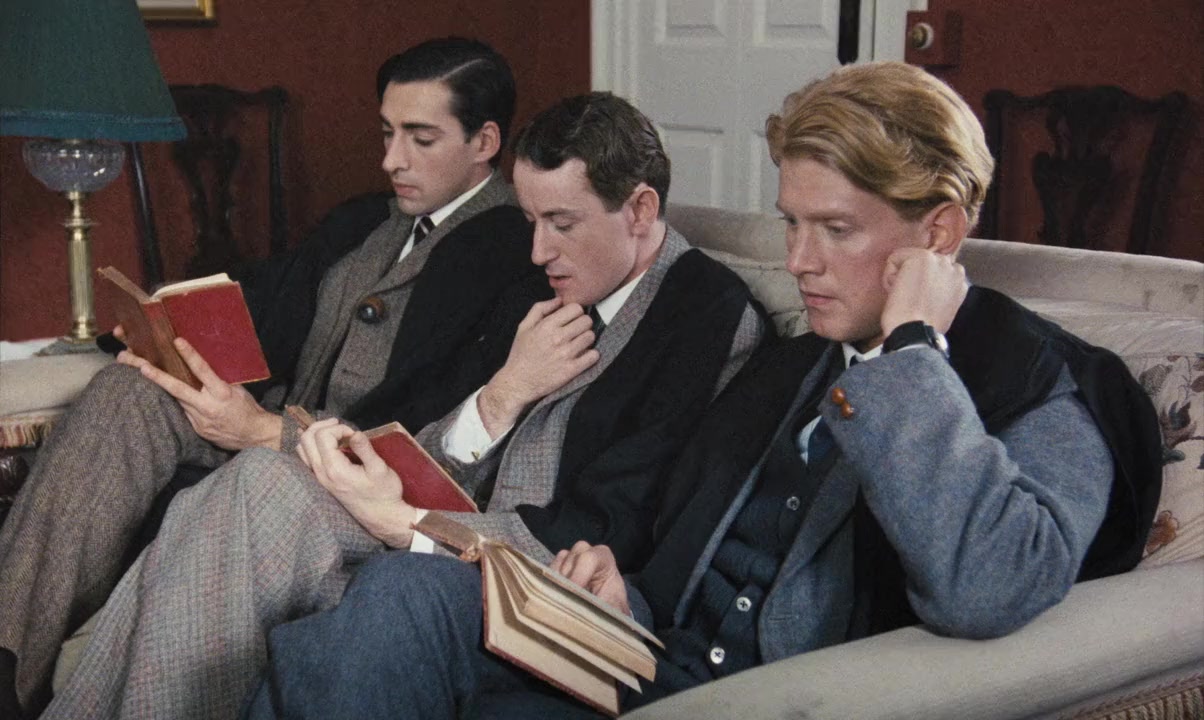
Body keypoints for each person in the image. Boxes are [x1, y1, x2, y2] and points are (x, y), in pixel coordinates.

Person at [240, 61, 1163, 720]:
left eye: (836, 230)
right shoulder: (792, 365)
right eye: (791, 223)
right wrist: (623, 592)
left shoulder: (1049, 384)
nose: (799, 262)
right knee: (392, 601)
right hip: (648, 662)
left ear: (941, 233)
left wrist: (912, 349)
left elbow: (990, 586)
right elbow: (675, 551)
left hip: (774, 695)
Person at [41, 91, 766, 720]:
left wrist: (410, 523)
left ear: (640, 209)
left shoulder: (707, 316)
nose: (539, 250)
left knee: (265, 492)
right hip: (425, 511)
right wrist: (501, 396)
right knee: (238, 487)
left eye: (562, 223)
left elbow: (612, 527)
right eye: (531, 220)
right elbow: (433, 432)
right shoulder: (544, 282)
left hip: (506, 572)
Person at [0, 36, 537, 719]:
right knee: (128, 392)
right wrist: (161, 334)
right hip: (277, 421)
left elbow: (437, 445)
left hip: (349, 479)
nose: (391, 160)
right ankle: (7, 664)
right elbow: (267, 304)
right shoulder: (365, 221)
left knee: (254, 470)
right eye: (387, 133)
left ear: (485, 141)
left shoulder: (518, 255)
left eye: (420, 139)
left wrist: (266, 432)